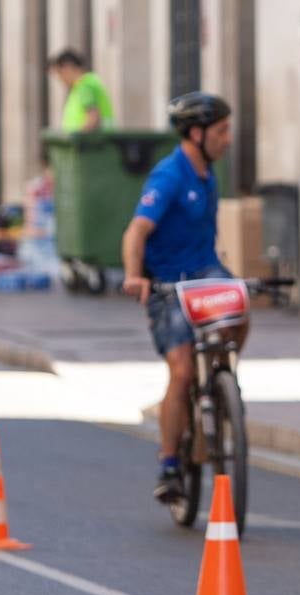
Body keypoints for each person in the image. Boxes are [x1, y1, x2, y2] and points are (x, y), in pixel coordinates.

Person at [120, 92, 235, 504]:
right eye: (222, 131)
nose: (229, 139)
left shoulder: (208, 173)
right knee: (182, 371)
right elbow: (135, 232)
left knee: (241, 300)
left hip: (206, 275)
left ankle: (222, 386)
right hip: (168, 283)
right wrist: (135, 276)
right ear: (197, 133)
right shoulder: (170, 175)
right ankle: (169, 462)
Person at [49, 49, 113, 133]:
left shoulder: (84, 86)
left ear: (68, 67)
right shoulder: (82, 86)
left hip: (92, 144)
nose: (60, 79)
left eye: (60, 73)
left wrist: (76, 137)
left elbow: (93, 117)